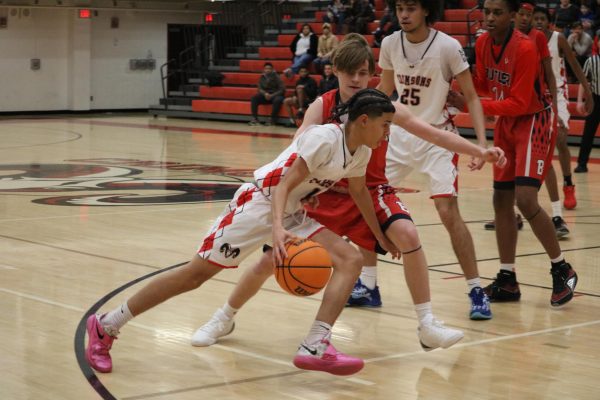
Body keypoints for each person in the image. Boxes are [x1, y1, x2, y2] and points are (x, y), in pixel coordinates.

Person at [191, 34, 506, 350]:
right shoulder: (321, 107)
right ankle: (223, 317)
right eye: (348, 72)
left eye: (362, 72)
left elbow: (436, 135)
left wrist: (480, 151)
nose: (355, 79)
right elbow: (296, 152)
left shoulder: (384, 108)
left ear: (373, 74)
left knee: (408, 235)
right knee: (271, 261)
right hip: (321, 193)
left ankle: (427, 325)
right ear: (335, 72)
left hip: (368, 189)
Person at [86, 88, 402, 377]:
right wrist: (277, 229)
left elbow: (361, 193)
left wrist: (381, 238)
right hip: (260, 203)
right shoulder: (325, 138)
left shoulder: (360, 151)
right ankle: (106, 325)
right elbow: (283, 186)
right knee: (194, 276)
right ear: (363, 120)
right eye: (385, 124)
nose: (388, 132)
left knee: (350, 260)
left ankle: (314, 345)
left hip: (291, 211)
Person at [454, 0, 578, 306]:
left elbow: (521, 102)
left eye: (498, 12)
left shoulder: (524, 48)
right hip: (507, 124)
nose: (491, 18)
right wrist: (459, 81)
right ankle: (507, 278)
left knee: (525, 198)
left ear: (512, 16)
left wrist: (472, 104)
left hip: (534, 119)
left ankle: (562, 268)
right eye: (487, 12)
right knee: (501, 198)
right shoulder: (483, 42)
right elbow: (483, 83)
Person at [378, 0, 493, 320]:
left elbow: (471, 96)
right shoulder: (389, 43)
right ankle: (368, 285)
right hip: (400, 136)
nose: (403, 14)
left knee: (447, 211)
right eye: (399, 7)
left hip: (438, 138)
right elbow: (384, 90)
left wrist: (481, 144)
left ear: (427, 9)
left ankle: (476, 290)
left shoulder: (447, 47)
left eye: (411, 8)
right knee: (368, 203)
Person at [534, 6, 595, 210]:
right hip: (536, 95)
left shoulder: (558, 38)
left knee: (560, 138)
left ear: (549, 22)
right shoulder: (525, 39)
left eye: (542, 19)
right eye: (536, 19)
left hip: (558, 92)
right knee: (538, 147)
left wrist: (586, 89)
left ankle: (568, 183)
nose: (539, 22)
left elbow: (574, 65)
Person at [575, 49, 600, 172]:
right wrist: (579, 100)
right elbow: (583, 81)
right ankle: (582, 164)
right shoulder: (591, 61)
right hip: (595, 99)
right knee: (588, 133)